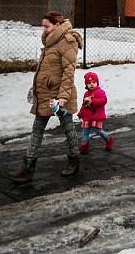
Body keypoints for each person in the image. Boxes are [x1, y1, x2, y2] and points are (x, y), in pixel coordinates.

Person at [7, 11, 83, 183]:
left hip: (60, 97)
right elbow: (47, 69)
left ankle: (74, 160)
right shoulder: (50, 41)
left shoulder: (67, 41)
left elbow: (68, 72)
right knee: (37, 129)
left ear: (57, 24)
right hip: (45, 94)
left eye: (46, 26)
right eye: (43, 26)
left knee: (68, 129)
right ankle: (28, 168)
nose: (44, 29)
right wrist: (36, 87)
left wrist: (63, 97)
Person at [77, 71, 115, 153]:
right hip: (87, 117)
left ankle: (108, 139)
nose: (91, 84)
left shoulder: (100, 92)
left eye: (94, 82)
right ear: (86, 84)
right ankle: (84, 147)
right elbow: (84, 105)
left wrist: (92, 101)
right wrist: (81, 113)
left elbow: (103, 101)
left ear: (97, 83)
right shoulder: (86, 94)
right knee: (85, 132)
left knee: (98, 131)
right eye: (89, 82)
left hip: (96, 116)